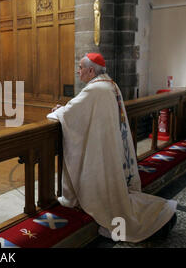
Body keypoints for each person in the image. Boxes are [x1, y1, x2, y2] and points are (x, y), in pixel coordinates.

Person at [46, 53, 177, 242]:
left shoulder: (95, 90)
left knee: (105, 197)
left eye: (81, 67)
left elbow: (71, 114)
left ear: (91, 70)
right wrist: (65, 108)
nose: (78, 70)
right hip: (111, 146)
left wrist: (59, 111)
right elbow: (80, 110)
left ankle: (146, 218)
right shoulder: (110, 85)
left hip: (100, 151)